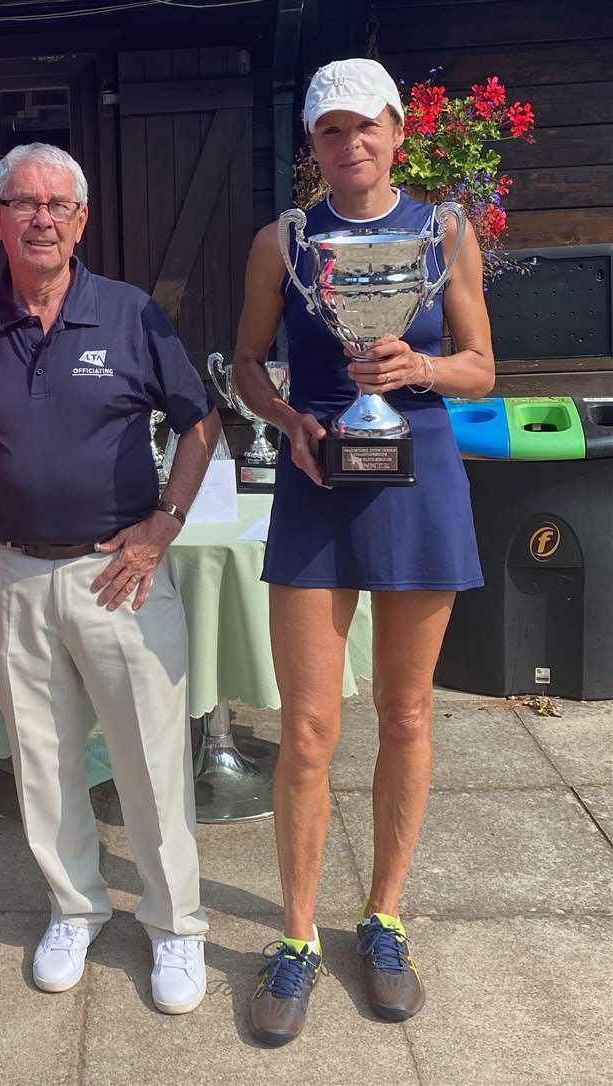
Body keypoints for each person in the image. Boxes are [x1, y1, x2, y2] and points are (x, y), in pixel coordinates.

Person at [231, 58, 494, 1045]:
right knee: (304, 727)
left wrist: (418, 364)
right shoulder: (282, 243)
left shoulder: (447, 232)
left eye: (366, 126)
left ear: (395, 131)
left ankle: (382, 916)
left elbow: (482, 365)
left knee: (409, 710)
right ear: (314, 145)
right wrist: (292, 419)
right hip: (317, 478)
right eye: (331, 132)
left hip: (419, 471)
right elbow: (248, 362)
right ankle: (295, 936)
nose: (351, 145)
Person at [0, 143, 222, 1015]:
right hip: (10, 574)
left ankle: (175, 927)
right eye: (23, 203)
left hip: (116, 576)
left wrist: (163, 526)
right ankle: (75, 907)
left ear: (82, 220)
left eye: (58, 204)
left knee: (152, 760)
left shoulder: (131, 316)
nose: (41, 218)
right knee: (44, 761)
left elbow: (201, 427)